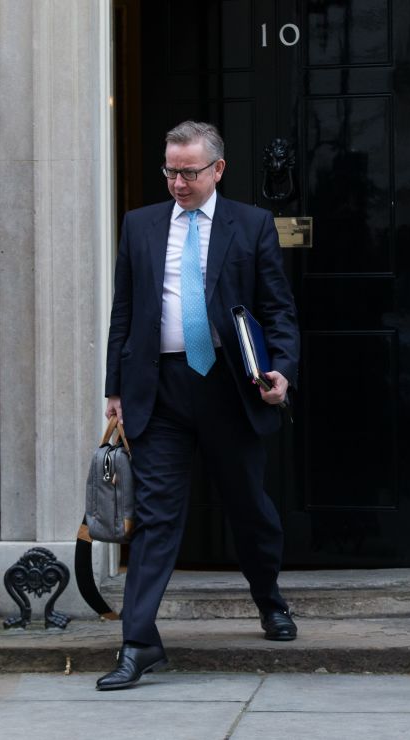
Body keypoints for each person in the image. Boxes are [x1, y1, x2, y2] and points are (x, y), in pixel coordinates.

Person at [97, 120, 300, 691]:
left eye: (188, 172)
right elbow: (124, 312)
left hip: (228, 389)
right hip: (158, 390)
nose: (178, 183)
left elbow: (278, 309)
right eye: (170, 171)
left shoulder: (253, 225)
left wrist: (280, 369)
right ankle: (138, 642)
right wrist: (114, 388)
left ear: (218, 170)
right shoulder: (139, 226)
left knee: (248, 506)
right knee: (157, 516)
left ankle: (270, 600)